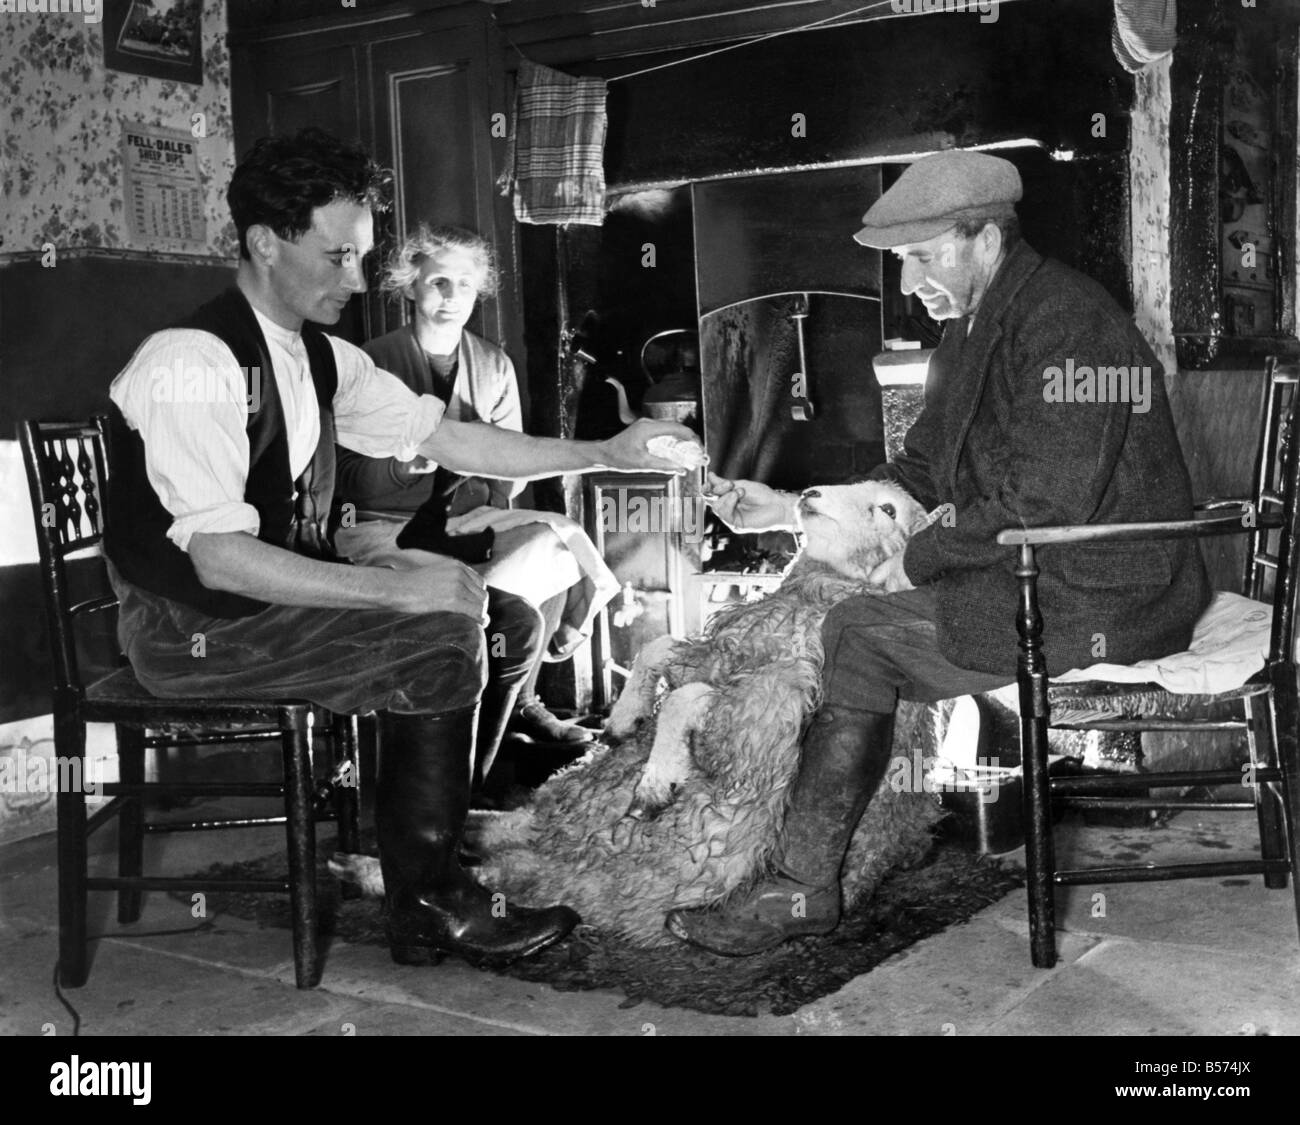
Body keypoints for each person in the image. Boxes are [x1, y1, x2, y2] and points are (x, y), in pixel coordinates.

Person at [102, 127, 694, 967]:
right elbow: (219, 561)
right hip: (186, 629)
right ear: (265, 243)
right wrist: (391, 588)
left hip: (253, 605)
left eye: (363, 255)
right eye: (338, 256)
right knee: (436, 623)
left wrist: (608, 449)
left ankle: (426, 893)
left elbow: (454, 439)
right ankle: (432, 900)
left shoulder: (316, 356)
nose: (357, 277)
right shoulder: (193, 362)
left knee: (459, 605)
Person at [665, 149, 1211, 955]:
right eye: (902, 261)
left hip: (1111, 585)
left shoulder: (1074, 323)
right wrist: (790, 507)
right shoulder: (967, 333)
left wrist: (919, 560)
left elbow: (1050, 502)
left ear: (985, 239)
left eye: (924, 256)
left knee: (859, 632)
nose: (910, 278)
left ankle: (800, 888)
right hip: (1039, 572)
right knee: (860, 629)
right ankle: (807, 876)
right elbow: (918, 471)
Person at [333, 225, 615, 791]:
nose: (450, 296)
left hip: (463, 519)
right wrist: (400, 467)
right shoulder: (369, 364)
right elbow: (342, 479)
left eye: (463, 284)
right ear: (410, 286)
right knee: (477, 592)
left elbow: (508, 472)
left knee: (555, 539)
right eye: (437, 281)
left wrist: (489, 501)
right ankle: (453, 727)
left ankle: (519, 696)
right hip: (386, 528)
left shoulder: (493, 364)